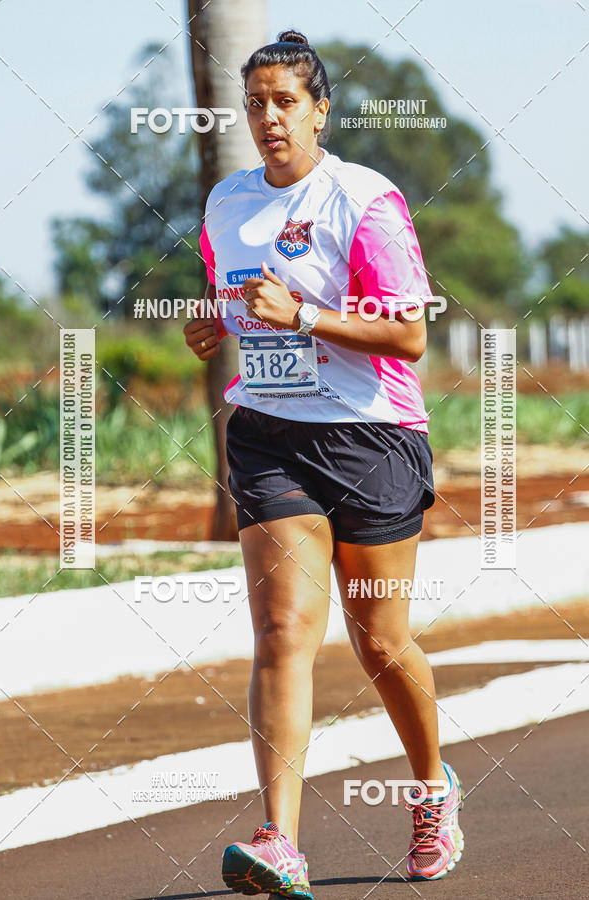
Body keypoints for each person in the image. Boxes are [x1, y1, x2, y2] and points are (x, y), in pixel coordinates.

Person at [184, 29, 464, 899]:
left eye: (285, 101)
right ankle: (280, 842)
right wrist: (215, 325)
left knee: (379, 640)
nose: (268, 117)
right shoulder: (227, 204)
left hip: (371, 437)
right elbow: (233, 298)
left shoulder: (364, 200)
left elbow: (409, 335)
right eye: (255, 103)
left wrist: (304, 315)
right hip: (270, 435)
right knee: (282, 631)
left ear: (319, 111)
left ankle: (432, 791)